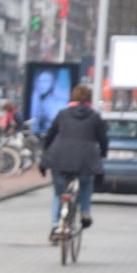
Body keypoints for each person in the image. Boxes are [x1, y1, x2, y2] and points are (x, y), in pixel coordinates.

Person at [40, 83, 107, 242]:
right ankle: (84, 212)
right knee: (86, 183)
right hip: (85, 159)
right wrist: (103, 153)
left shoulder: (62, 114)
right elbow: (102, 139)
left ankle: (56, 226)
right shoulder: (94, 116)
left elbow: (51, 135)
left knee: (58, 193)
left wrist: (46, 154)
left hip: (60, 157)